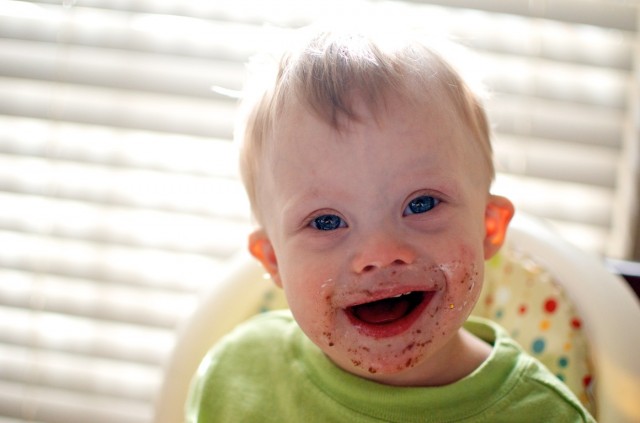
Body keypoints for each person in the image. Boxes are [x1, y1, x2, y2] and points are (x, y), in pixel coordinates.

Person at [186, 21, 596, 422]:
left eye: (420, 205)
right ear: (273, 260)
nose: (380, 254)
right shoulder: (236, 377)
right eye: (327, 222)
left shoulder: (544, 415)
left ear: (489, 225)